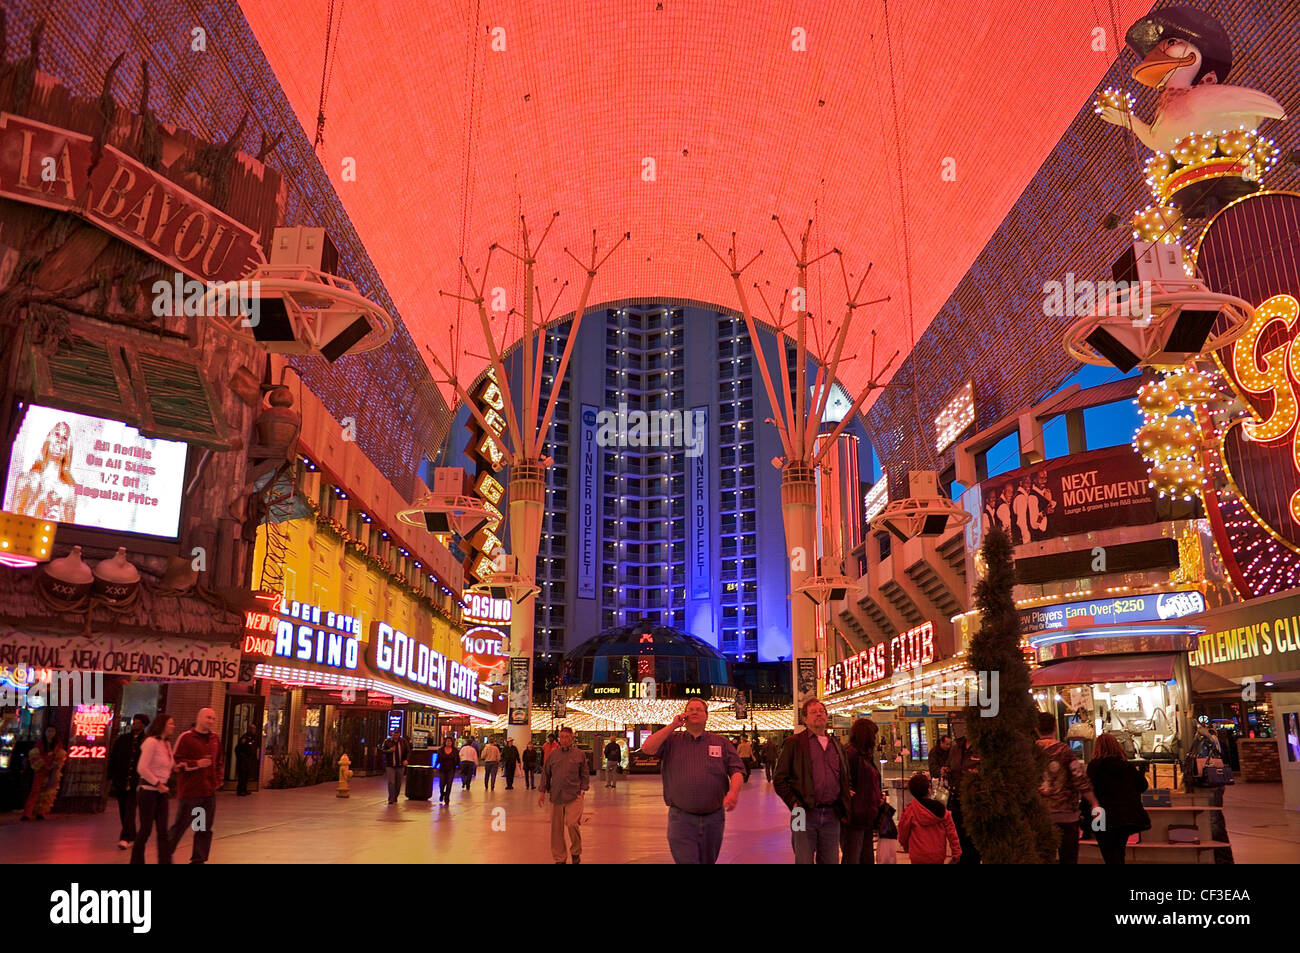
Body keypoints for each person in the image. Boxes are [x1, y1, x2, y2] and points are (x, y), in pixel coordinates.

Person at [640, 699, 743, 864]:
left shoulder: (721, 742)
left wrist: (733, 793)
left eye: (699, 709)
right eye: (690, 709)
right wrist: (672, 725)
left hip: (714, 818)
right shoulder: (672, 741)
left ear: (706, 716)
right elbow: (647, 748)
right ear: (684, 715)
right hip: (681, 818)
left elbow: (737, 771)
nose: (694, 712)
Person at [773, 698, 852, 864]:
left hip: (832, 814)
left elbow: (844, 775)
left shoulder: (836, 745)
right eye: (813, 712)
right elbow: (779, 778)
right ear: (805, 719)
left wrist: (845, 792)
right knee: (803, 858)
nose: (819, 714)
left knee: (831, 859)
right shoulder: (794, 743)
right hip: (801, 813)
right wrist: (794, 803)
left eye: (821, 711)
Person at [1036, 711, 1098, 864]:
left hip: (1040, 814)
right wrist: (1093, 802)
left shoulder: (1030, 753)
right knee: (1068, 857)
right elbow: (1080, 779)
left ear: (1036, 729)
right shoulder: (1065, 751)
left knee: (1043, 857)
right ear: (1055, 727)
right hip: (1066, 815)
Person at [167, 708, 223, 864]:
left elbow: (219, 761)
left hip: (208, 792)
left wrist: (218, 781)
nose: (211, 721)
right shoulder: (186, 738)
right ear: (199, 718)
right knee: (180, 825)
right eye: (208, 718)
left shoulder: (214, 739)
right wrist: (196, 764)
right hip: (190, 792)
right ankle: (165, 854)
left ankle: (198, 859)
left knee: (204, 827)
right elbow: (176, 762)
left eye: (213, 718)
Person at [1087, 732, 1151, 865]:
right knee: (1119, 850)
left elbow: (1089, 789)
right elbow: (1143, 785)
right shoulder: (1126, 766)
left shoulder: (1094, 766)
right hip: (1125, 815)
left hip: (1101, 815)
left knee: (1108, 853)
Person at [538, 726, 590, 864]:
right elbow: (546, 774)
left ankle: (575, 852)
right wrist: (542, 792)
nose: (564, 740)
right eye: (562, 737)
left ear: (572, 739)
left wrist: (583, 789)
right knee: (556, 829)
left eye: (567, 737)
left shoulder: (579, 754)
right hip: (556, 796)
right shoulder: (553, 755)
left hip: (574, 795)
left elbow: (585, 773)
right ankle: (559, 857)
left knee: (572, 824)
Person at [131, 713, 175, 865]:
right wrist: (157, 784)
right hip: (148, 791)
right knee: (146, 829)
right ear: (162, 725)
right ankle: (136, 861)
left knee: (163, 830)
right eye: (170, 723)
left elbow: (168, 766)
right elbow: (142, 768)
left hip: (162, 792)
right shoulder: (151, 742)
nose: (173, 726)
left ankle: (165, 861)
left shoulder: (167, 744)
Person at [12, 420, 78, 522]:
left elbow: (70, 528)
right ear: (48, 438)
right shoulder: (26, 479)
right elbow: (14, 518)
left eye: (65, 438)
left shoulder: (69, 489)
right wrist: (40, 495)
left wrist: (59, 511)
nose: (60, 441)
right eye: (57, 434)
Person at [841, 718, 883, 864]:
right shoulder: (852, 755)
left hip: (865, 815)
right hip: (855, 816)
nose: (876, 739)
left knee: (865, 857)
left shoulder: (863, 755)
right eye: (874, 735)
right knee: (853, 856)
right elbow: (845, 782)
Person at [898, 772, 961, 864]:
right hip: (937, 855)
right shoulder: (941, 810)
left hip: (918, 854)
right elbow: (952, 832)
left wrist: (905, 846)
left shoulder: (910, 810)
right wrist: (956, 852)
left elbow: (903, 831)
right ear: (929, 789)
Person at [108, 714, 149, 847]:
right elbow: (113, 757)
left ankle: (125, 837)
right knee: (123, 808)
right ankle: (131, 834)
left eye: (138, 723)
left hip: (136, 781)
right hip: (121, 779)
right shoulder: (123, 739)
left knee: (130, 809)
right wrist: (111, 775)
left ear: (143, 725)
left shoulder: (147, 741)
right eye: (134, 722)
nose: (135, 725)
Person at [946, 736, 981, 864]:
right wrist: (946, 771)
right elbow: (951, 767)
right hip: (957, 799)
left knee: (973, 839)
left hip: (975, 800)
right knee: (959, 835)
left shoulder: (982, 746)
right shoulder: (956, 749)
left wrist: (979, 774)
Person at [22, 725, 67, 821]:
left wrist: (54, 765)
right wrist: (44, 765)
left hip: (52, 771)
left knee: (47, 792)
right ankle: (27, 813)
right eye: (49, 731)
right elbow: (34, 755)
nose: (50, 733)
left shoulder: (57, 744)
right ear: (45, 732)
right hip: (41, 769)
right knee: (35, 790)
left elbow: (60, 756)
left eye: (52, 731)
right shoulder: (40, 743)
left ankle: (41, 812)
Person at [380, 728, 411, 804]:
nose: (396, 735)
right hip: (390, 765)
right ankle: (391, 799)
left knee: (398, 782)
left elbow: (408, 751)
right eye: (394, 733)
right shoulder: (387, 741)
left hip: (400, 765)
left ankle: (395, 796)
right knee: (391, 782)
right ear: (392, 734)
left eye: (397, 733)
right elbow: (382, 750)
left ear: (399, 734)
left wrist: (406, 759)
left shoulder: (403, 741)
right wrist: (389, 751)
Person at [234, 728, 259, 797]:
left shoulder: (252, 738)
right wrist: (242, 758)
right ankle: (240, 790)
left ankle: (244, 789)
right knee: (242, 775)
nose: (254, 731)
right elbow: (238, 749)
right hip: (243, 760)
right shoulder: (244, 738)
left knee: (246, 775)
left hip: (248, 760)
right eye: (253, 730)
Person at [435, 737, 459, 806]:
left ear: (452, 743)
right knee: (442, 783)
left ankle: (447, 797)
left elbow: (457, 759)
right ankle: (442, 794)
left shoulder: (455, 751)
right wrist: (435, 766)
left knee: (449, 784)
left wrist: (459, 767)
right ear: (445, 742)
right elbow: (438, 759)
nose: (448, 743)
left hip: (451, 769)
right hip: (442, 769)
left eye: (450, 741)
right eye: (447, 741)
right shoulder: (441, 750)